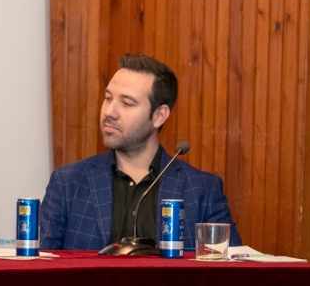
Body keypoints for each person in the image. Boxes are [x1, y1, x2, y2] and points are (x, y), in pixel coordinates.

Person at [39, 54, 238, 251]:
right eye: (108, 98)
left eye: (127, 103)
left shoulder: (202, 190)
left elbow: (231, 271)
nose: (109, 112)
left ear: (159, 116)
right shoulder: (67, 184)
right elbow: (43, 270)